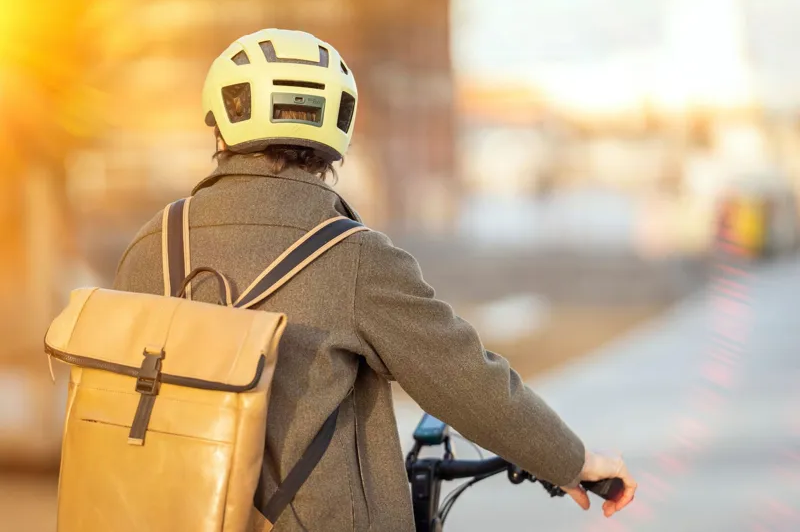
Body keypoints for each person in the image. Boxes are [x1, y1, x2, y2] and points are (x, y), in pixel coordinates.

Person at [113, 28, 637, 531]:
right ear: (335, 122)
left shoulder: (152, 244)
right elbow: (465, 379)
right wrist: (573, 459)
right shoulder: (355, 256)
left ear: (223, 117)